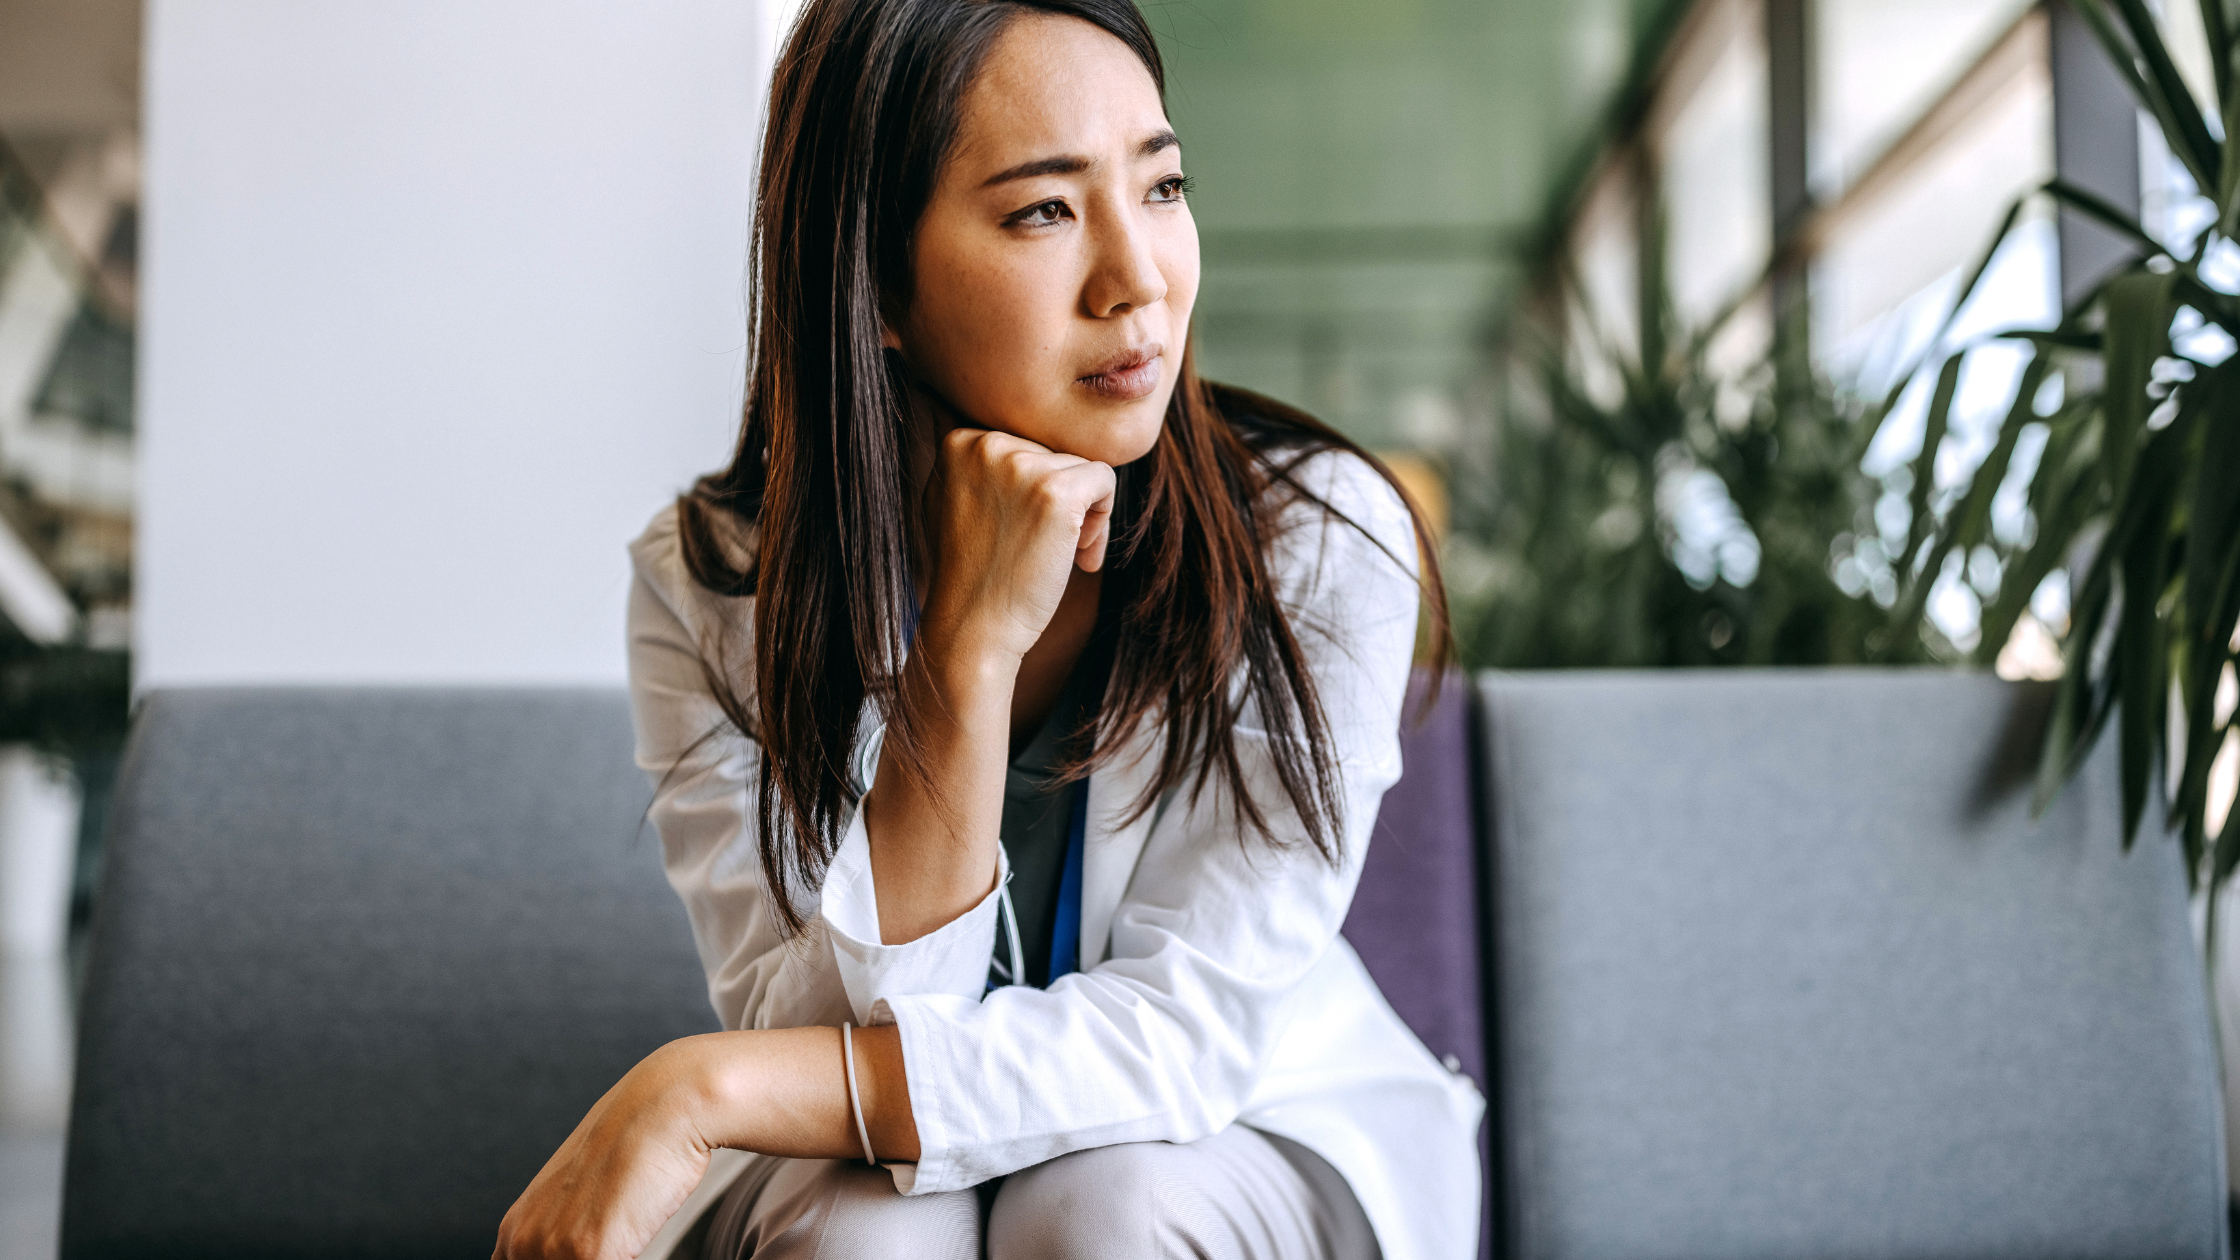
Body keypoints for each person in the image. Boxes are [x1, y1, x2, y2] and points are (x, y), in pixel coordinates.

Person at [493, 0, 1482, 1256]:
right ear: (878, 284)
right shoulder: (711, 587)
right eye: (1043, 211)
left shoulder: (1319, 533)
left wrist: (700, 1088)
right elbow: (839, 1023)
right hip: (889, 1187)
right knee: (869, 1233)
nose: (1137, 280)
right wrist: (965, 651)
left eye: (1161, 186)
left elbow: (1185, 1036)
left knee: (1105, 1205)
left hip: (1250, 1137)